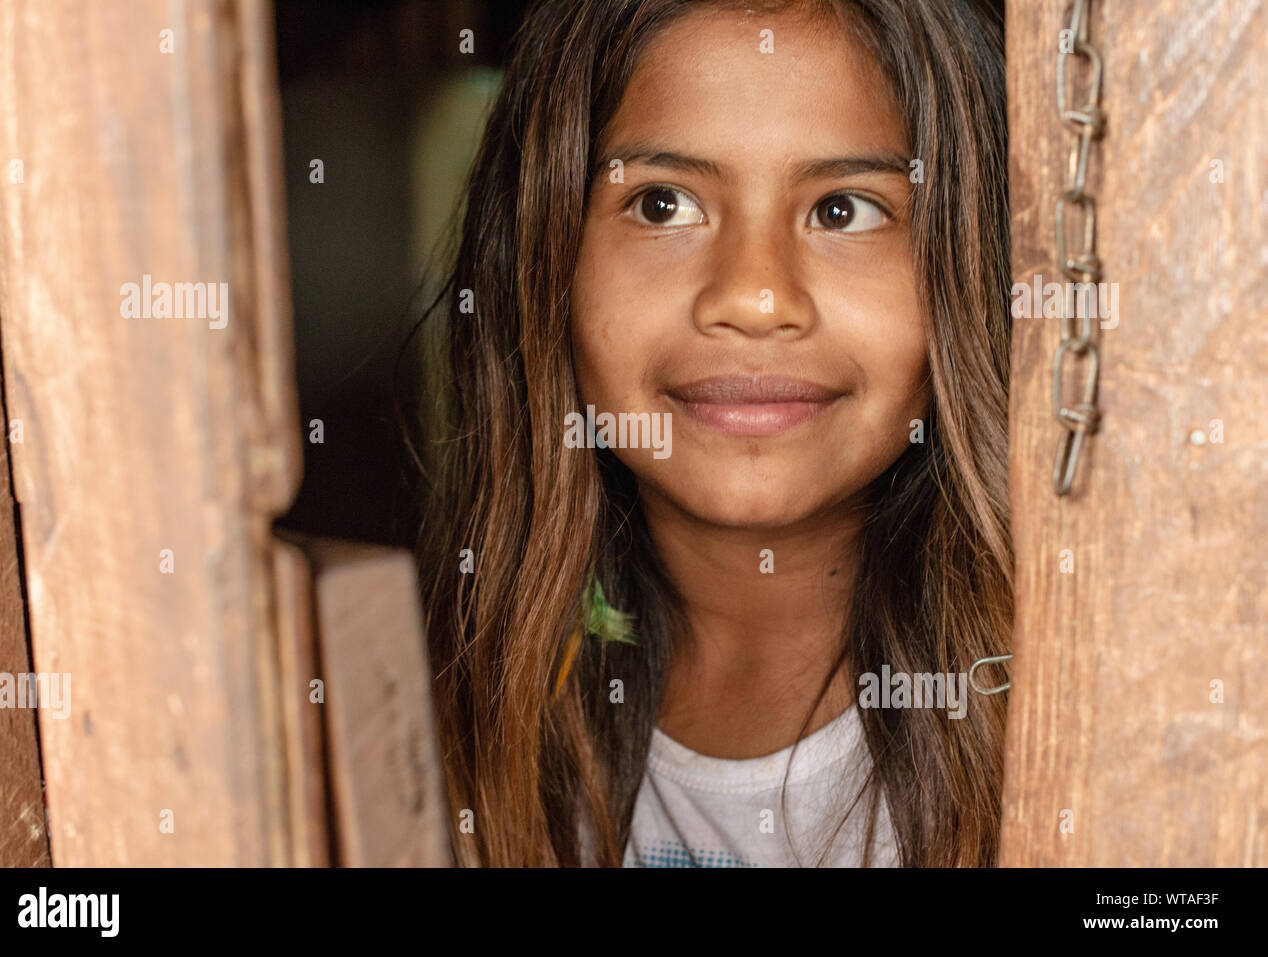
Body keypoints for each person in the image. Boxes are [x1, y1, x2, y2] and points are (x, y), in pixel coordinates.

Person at [413, 0, 1011, 867]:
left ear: (969, 271)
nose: (755, 297)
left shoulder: (1066, 718)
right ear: (544, 263)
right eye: (662, 203)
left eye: (845, 209)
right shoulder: (471, 734)